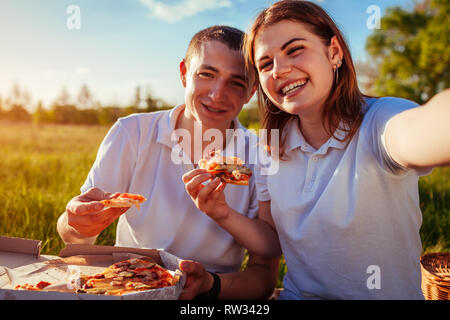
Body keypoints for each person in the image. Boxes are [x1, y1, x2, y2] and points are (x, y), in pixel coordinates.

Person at [184, 0, 450, 299]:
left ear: (334, 52)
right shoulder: (269, 147)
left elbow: (427, 127)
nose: (280, 70)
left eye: (294, 49)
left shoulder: (379, 122)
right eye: (266, 64)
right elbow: (273, 243)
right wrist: (221, 213)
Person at [56, 25, 279, 300]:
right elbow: (74, 238)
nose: (218, 94)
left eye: (236, 82)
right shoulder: (132, 133)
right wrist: (77, 224)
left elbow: (265, 273)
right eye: (206, 74)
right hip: (129, 286)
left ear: (251, 92)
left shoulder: (260, 154)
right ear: (185, 73)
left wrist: (210, 285)